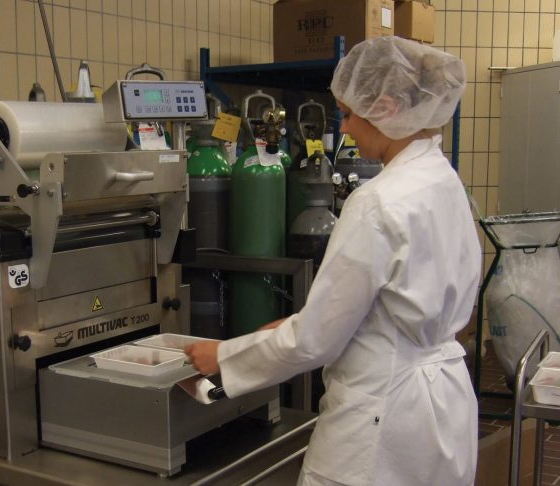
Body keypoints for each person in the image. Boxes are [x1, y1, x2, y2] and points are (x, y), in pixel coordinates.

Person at [185, 36, 481, 486]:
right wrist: (298, 325)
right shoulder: (443, 179)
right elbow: (392, 304)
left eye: (348, 114)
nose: (344, 128)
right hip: (443, 407)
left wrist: (222, 356)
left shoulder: (378, 201)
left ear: (385, 108)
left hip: (382, 417)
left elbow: (315, 342)